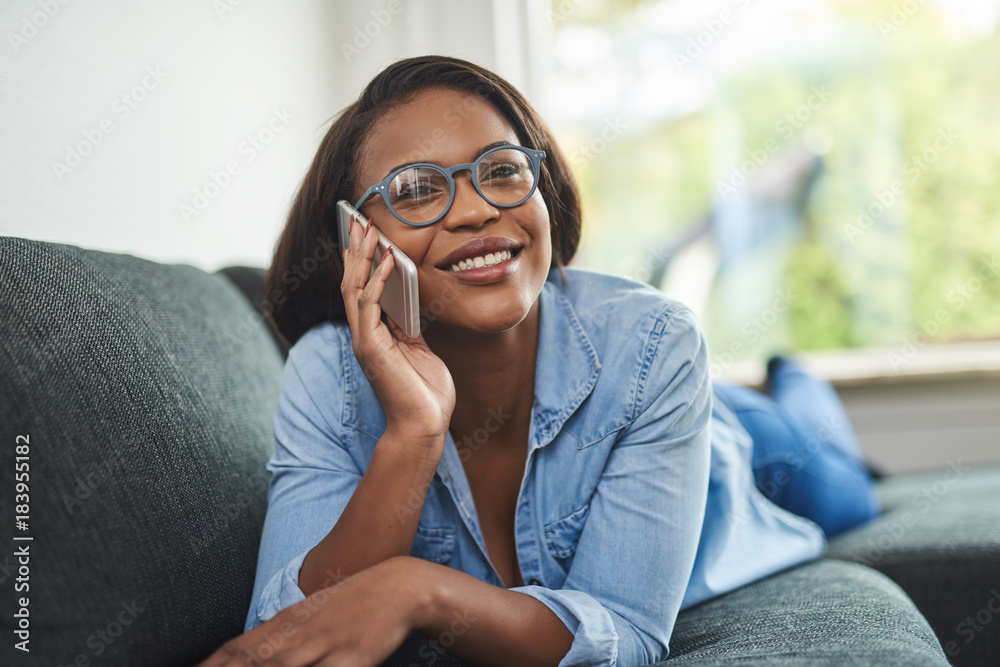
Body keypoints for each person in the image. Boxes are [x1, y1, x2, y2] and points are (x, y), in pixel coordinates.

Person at [196, 55, 879, 667]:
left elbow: (630, 634)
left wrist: (414, 587)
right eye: (417, 189)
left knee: (842, 489)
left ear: (541, 192)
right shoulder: (326, 374)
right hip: (673, 414)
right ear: (356, 239)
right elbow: (286, 635)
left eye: (501, 170)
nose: (474, 211)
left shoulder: (654, 343)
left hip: (738, 458)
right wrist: (414, 434)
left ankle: (797, 384)